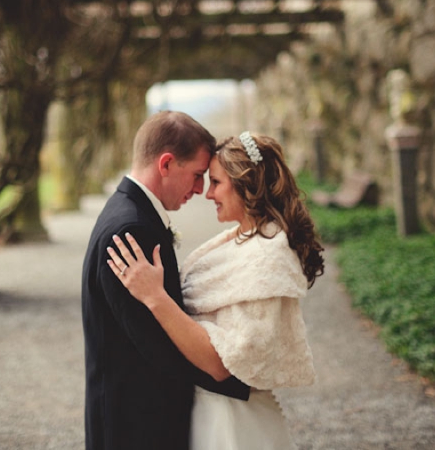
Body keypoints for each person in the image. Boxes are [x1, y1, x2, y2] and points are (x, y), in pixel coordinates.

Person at [107, 131, 325, 449]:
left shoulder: (270, 255)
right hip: (207, 408)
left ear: (247, 184)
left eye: (216, 183)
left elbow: (223, 364)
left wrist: (154, 297)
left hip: (232, 420)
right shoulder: (242, 237)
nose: (207, 194)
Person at [81, 111, 250, 450]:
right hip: (136, 426)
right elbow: (157, 345)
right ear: (167, 164)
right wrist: (236, 376)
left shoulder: (132, 212)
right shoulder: (131, 230)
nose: (201, 190)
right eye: (198, 175)